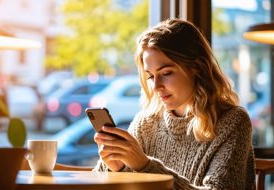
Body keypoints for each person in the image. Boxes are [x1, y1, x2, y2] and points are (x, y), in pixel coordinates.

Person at [93, 18, 255, 189]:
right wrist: (116, 168)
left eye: (166, 73)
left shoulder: (233, 121)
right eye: (150, 76)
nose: (156, 86)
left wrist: (145, 166)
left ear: (198, 67)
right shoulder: (146, 122)